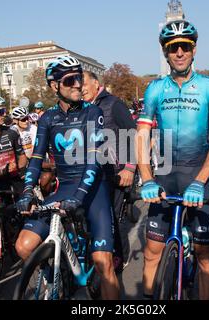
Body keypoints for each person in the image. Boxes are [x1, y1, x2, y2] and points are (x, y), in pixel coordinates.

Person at [136, 19, 209, 300]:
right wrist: (147, 177)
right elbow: (141, 135)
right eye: (173, 47)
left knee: (204, 256)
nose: (179, 53)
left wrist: (201, 181)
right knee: (152, 252)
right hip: (164, 175)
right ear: (165, 52)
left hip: (197, 175)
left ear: (193, 49)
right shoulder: (154, 88)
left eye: (184, 46)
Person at [15, 56, 119, 300]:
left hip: (94, 189)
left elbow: (94, 160)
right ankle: (58, 276)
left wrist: (79, 197)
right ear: (54, 86)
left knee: (103, 263)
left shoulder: (93, 111)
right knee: (23, 246)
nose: (78, 85)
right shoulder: (47, 118)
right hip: (66, 187)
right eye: (70, 80)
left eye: (80, 78)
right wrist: (27, 190)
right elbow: (37, 159)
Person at [82, 70, 137, 272]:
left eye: (84, 83)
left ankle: (119, 258)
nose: (81, 88)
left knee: (112, 216)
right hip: (94, 173)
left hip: (117, 172)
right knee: (94, 215)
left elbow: (134, 135)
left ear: (96, 83)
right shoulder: (83, 108)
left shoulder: (113, 104)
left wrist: (130, 168)